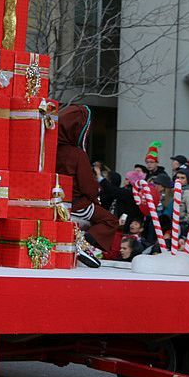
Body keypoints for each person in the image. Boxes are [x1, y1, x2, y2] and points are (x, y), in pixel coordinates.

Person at [55, 105, 117, 267]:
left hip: (54, 201)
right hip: (77, 204)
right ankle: (81, 243)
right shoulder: (77, 154)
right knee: (109, 220)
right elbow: (88, 186)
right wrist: (95, 200)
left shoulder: (49, 149)